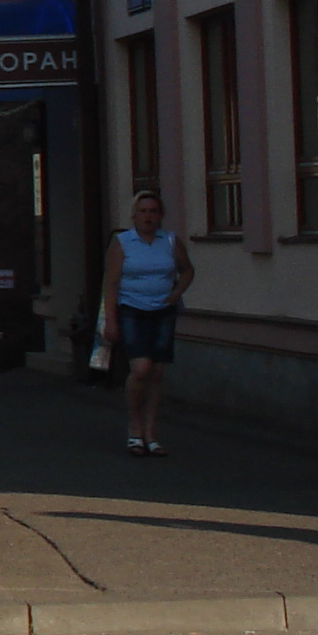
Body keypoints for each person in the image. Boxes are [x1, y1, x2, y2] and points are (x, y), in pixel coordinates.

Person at [100, 189, 193, 457]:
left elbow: (187, 270)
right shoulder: (123, 242)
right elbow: (111, 283)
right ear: (134, 215)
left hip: (162, 311)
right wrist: (110, 320)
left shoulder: (170, 241)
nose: (148, 217)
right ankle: (134, 428)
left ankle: (151, 434)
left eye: (153, 211)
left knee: (156, 373)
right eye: (143, 212)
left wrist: (176, 294)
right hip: (132, 310)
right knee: (141, 369)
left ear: (160, 215)